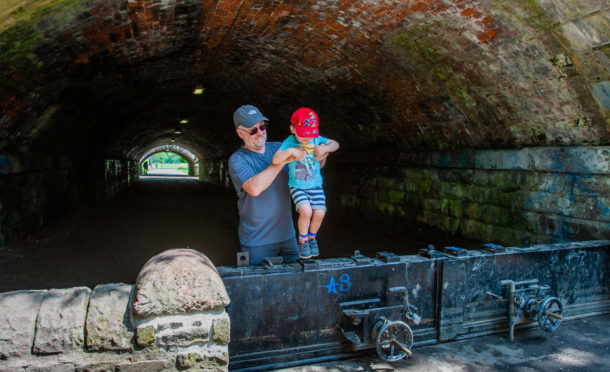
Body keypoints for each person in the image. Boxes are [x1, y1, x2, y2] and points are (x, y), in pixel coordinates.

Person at [228, 105, 310, 265]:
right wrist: (281, 161)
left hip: (288, 237)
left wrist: (320, 153)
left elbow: (309, 169)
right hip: (257, 241)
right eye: (253, 130)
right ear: (240, 133)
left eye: (262, 126)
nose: (260, 132)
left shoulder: (280, 147)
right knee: (260, 287)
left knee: (295, 284)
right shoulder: (237, 159)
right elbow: (254, 188)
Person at [272, 107, 339, 259]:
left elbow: (336, 144)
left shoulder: (316, 139)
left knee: (320, 212)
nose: (307, 138)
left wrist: (325, 148)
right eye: (303, 134)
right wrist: (290, 152)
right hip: (298, 186)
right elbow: (275, 159)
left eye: (310, 134)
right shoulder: (289, 142)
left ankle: (312, 238)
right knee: (306, 211)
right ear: (292, 129)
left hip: (316, 185)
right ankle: (302, 240)